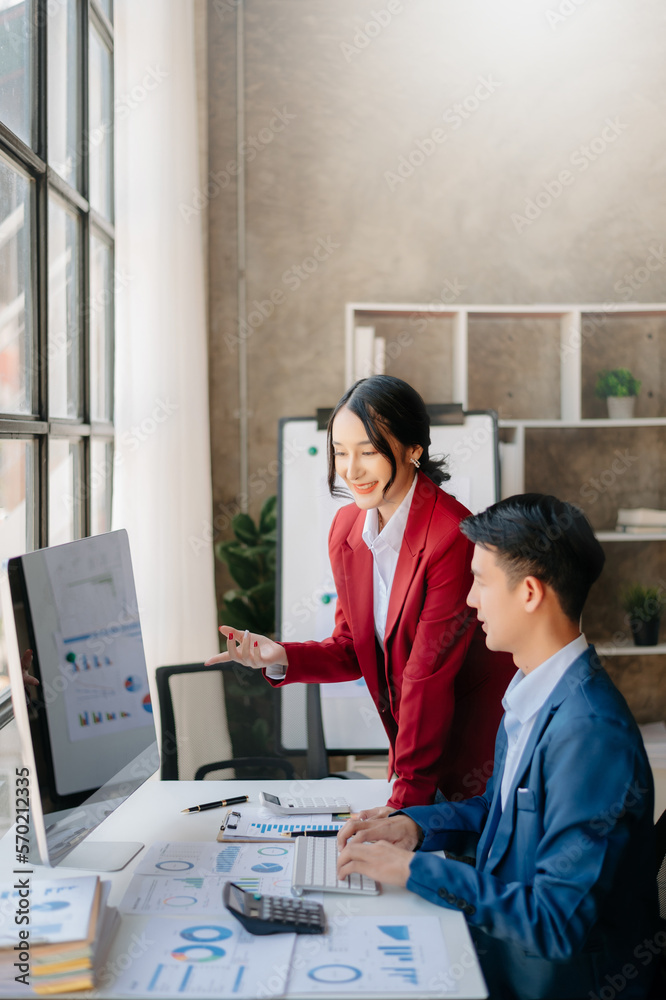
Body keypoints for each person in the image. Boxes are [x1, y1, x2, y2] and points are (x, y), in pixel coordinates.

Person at [336, 494, 659, 1000]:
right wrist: (416, 827)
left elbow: (556, 923)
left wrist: (416, 872)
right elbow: (501, 812)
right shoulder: (532, 692)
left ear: (529, 592)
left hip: (561, 983)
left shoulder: (591, 735)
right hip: (506, 955)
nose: (470, 600)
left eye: (481, 582)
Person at [205, 375, 514, 809]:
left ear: (412, 449)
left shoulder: (450, 535)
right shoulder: (347, 528)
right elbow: (352, 647)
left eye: (368, 452)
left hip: (469, 751)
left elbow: (427, 677)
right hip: (412, 750)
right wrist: (281, 656)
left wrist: (402, 802)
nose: (351, 470)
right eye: (340, 452)